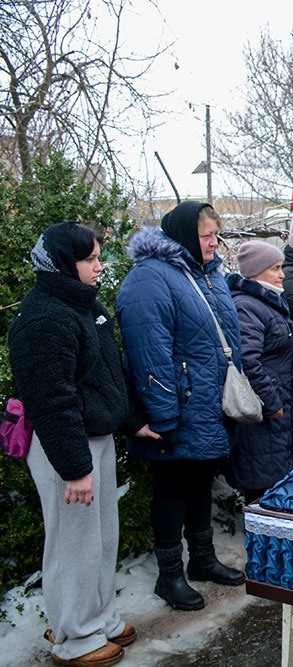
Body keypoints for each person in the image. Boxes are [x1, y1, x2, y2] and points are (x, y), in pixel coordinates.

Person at [9, 223, 152, 667]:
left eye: (97, 256)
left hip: (95, 438)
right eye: (89, 259)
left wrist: (131, 421)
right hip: (65, 447)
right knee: (73, 544)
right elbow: (51, 399)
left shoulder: (83, 306)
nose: (98, 266)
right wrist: (74, 468)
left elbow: (104, 375)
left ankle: (98, 618)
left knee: (101, 538)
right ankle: (73, 637)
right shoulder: (43, 318)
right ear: (62, 264)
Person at [117, 202, 247, 612]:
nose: (213, 242)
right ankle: (169, 574)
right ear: (185, 236)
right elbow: (148, 353)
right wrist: (163, 415)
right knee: (173, 489)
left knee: (199, 481)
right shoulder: (151, 278)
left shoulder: (207, 274)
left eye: (215, 234)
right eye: (206, 235)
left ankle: (203, 559)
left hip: (207, 404)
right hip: (178, 406)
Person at [224, 241, 293, 504]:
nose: (282, 275)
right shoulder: (248, 305)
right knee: (261, 490)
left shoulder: (267, 301)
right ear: (256, 272)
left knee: (274, 484)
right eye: (275, 268)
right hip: (263, 414)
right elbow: (247, 361)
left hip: (276, 413)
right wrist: (272, 402)